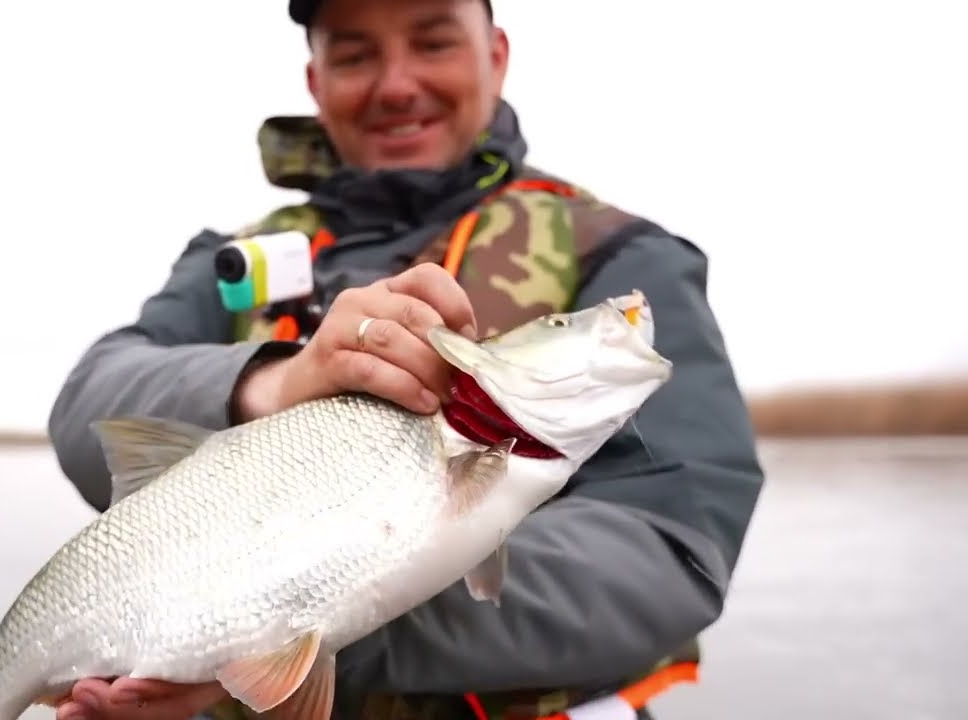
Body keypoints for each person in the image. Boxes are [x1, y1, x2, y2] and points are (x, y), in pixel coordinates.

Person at [45, 0, 765, 718]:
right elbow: (88, 403)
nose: (395, 84)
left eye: (433, 41)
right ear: (315, 80)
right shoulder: (227, 263)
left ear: (497, 55)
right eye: (355, 55)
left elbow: (672, 551)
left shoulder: (620, 255)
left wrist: (273, 630)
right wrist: (273, 381)